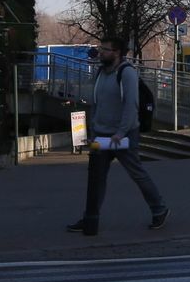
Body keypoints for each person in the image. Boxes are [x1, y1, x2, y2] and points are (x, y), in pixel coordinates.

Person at [66, 37, 168, 236]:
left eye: (105, 49)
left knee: (136, 173)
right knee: (95, 177)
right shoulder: (101, 73)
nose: (101, 52)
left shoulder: (126, 73)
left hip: (123, 136)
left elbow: (131, 105)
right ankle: (90, 218)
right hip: (101, 136)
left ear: (117, 52)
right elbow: (96, 103)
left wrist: (120, 133)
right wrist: (93, 131)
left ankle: (159, 208)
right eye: (100, 48)